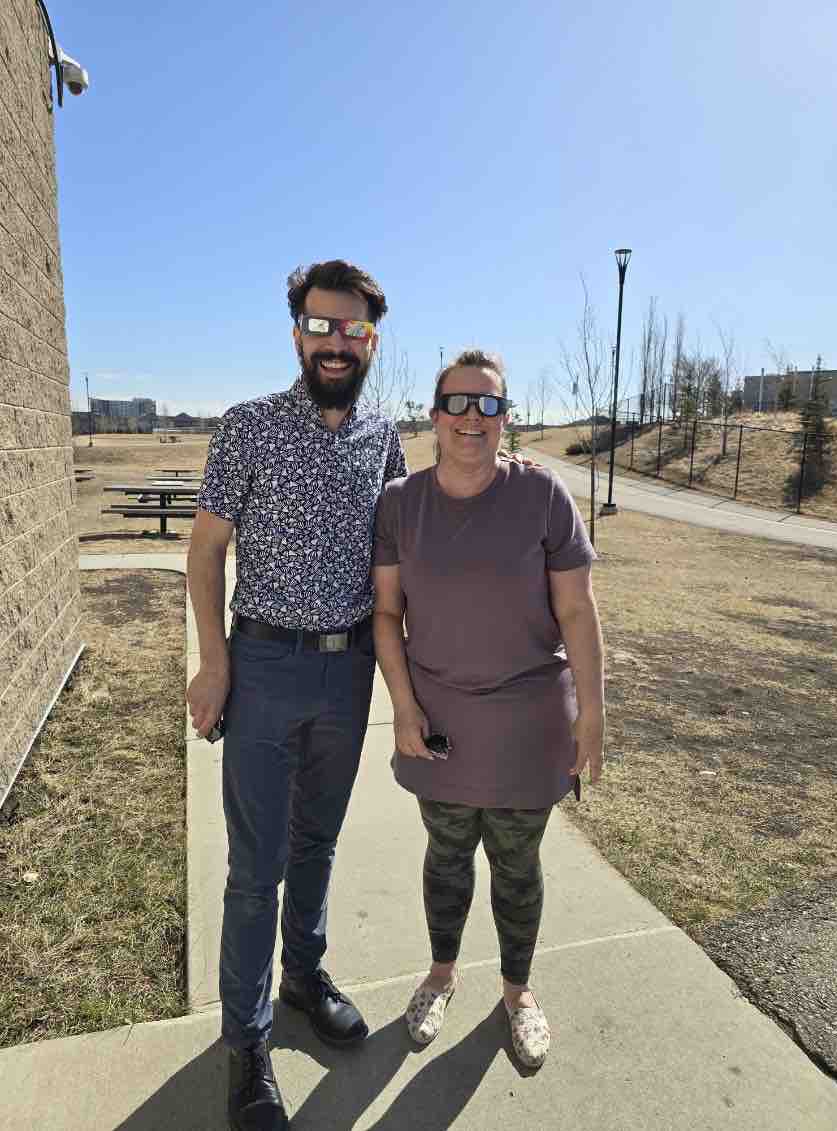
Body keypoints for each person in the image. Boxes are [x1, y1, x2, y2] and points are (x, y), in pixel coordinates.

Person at [187, 260, 407, 1131]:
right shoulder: (246, 429)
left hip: (347, 670)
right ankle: (247, 1041)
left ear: (369, 341)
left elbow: (402, 546)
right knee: (256, 867)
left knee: (317, 843)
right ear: (297, 335)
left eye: (351, 330)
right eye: (320, 327)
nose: (335, 342)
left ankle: (303, 974)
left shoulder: (385, 436)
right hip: (267, 667)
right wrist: (214, 662)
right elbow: (204, 553)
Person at [372, 349, 605, 1069]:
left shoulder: (543, 498)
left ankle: (518, 994)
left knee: (516, 863)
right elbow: (386, 613)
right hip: (439, 727)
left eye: (490, 405)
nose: (474, 418)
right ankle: (441, 977)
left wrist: (592, 712)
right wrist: (403, 708)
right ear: (435, 413)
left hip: (529, 726)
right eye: (460, 403)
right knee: (445, 857)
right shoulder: (400, 504)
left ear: (507, 418)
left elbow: (577, 607)